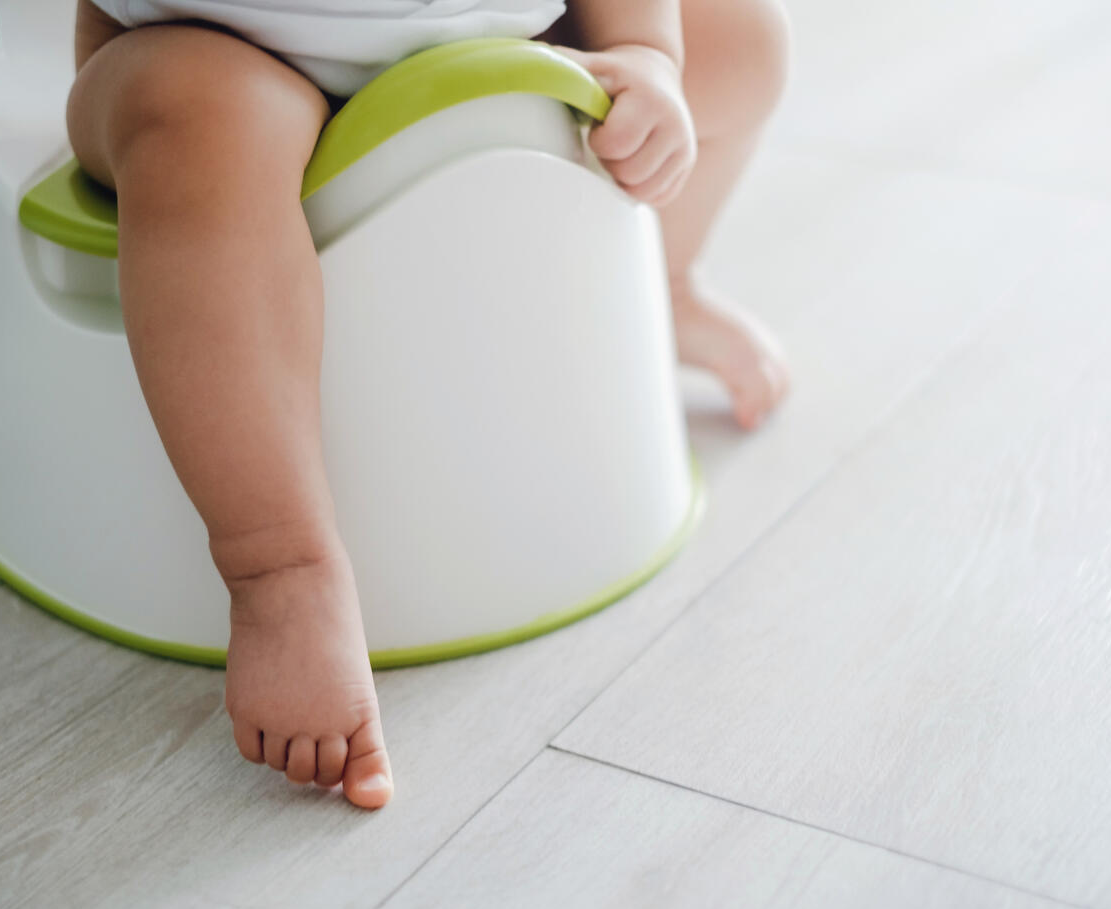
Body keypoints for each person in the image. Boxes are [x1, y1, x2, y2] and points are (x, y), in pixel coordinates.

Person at [67, 0, 791, 809]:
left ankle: (665, 280)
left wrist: (644, 50)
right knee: (200, 120)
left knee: (742, 40)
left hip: (500, 28)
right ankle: (279, 567)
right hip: (213, 46)